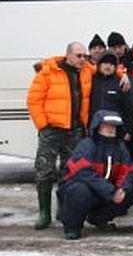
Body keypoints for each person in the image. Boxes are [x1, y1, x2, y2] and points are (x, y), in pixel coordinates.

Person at [27, 41, 94, 230]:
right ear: (69, 55)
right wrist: (43, 124)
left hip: (74, 130)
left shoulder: (88, 70)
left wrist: (122, 75)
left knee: (69, 171)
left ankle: (63, 208)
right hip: (52, 130)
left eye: (84, 56)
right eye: (79, 55)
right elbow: (34, 99)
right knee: (44, 170)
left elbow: (108, 70)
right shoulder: (48, 72)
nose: (83, 59)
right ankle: (44, 212)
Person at [58, 110, 133, 239]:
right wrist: (110, 191)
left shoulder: (121, 147)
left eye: (113, 126)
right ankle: (72, 227)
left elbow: (129, 170)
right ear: (98, 126)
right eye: (106, 125)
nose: (110, 129)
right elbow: (82, 172)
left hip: (106, 193)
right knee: (79, 190)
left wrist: (122, 189)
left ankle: (99, 218)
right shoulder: (87, 145)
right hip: (85, 190)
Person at [89, 51, 133, 143]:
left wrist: (129, 130)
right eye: (105, 63)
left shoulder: (122, 82)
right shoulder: (90, 81)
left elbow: (129, 108)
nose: (108, 66)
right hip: (93, 131)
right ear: (99, 65)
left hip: (115, 132)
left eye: (111, 64)